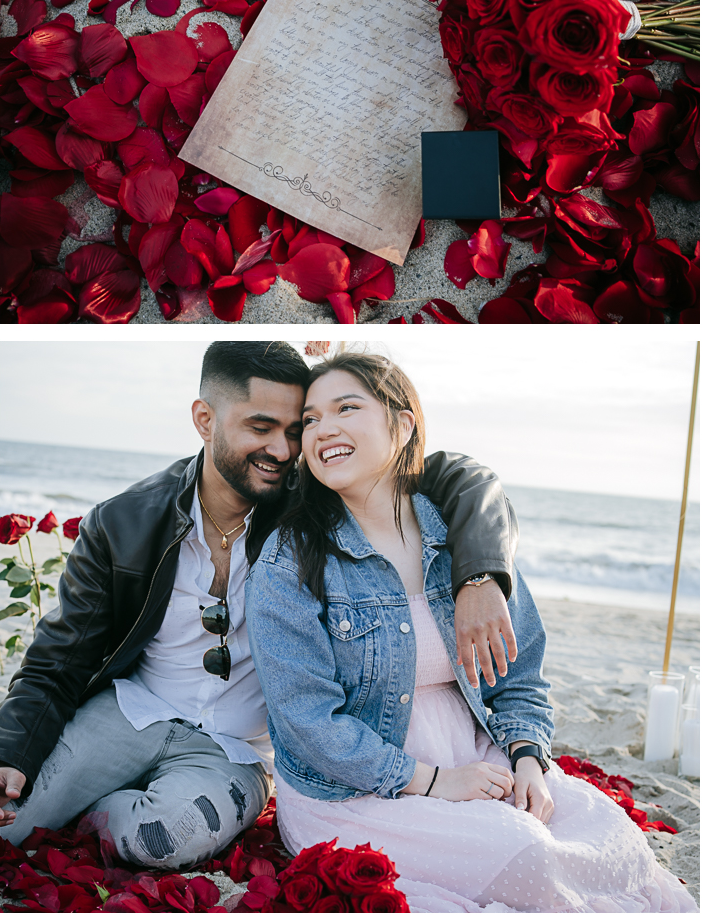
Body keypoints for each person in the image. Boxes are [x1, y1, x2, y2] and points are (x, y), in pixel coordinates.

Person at [1, 340, 520, 871]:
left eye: (295, 431)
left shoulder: (314, 499)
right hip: (131, 712)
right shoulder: (124, 522)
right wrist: (11, 753)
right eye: (259, 427)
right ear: (205, 420)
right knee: (7, 818)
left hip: (238, 749)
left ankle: (102, 812)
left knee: (162, 840)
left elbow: (461, 476)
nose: (282, 449)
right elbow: (57, 657)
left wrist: (480, 576)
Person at [245, 350, 698, 913]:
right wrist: (437, 782)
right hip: (355, 788)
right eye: (310, 419)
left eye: (346, 408)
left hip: (478, 750)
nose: (323, 430)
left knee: (610, 837)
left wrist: (529, 757)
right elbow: (308, 722)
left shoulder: (464, 544)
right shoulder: (290, 562)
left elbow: (520, 673)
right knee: (525, 857)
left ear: (402, 422)